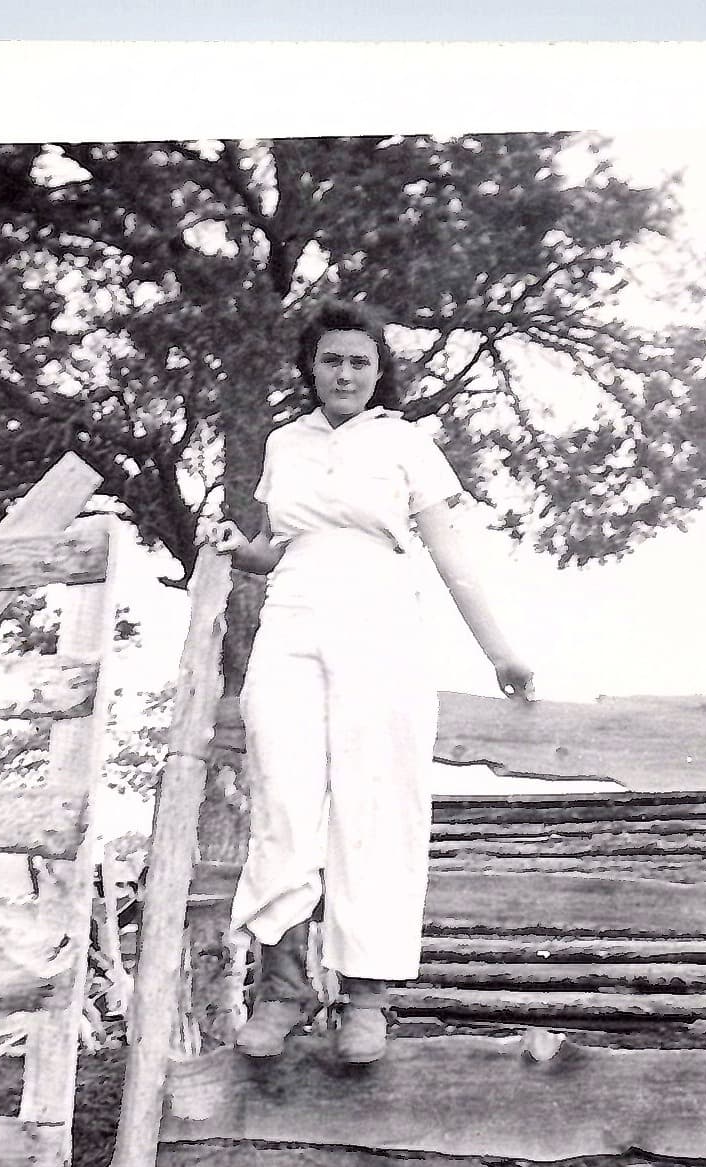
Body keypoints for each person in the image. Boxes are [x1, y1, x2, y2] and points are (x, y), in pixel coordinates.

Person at [207, 299, 534, 1064]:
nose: (344, 372)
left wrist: (499, 651)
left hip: (378, 618)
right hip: (290, 619)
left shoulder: (405, 442)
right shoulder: (284, 441)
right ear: (310, 368)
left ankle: (365, 996)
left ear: (379, 371)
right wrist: (239, 546)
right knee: (281, 796)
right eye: (330, 359)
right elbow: (276, 544)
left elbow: (450, 553)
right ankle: (285, 988)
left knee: (374, 799)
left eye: (359, 360)